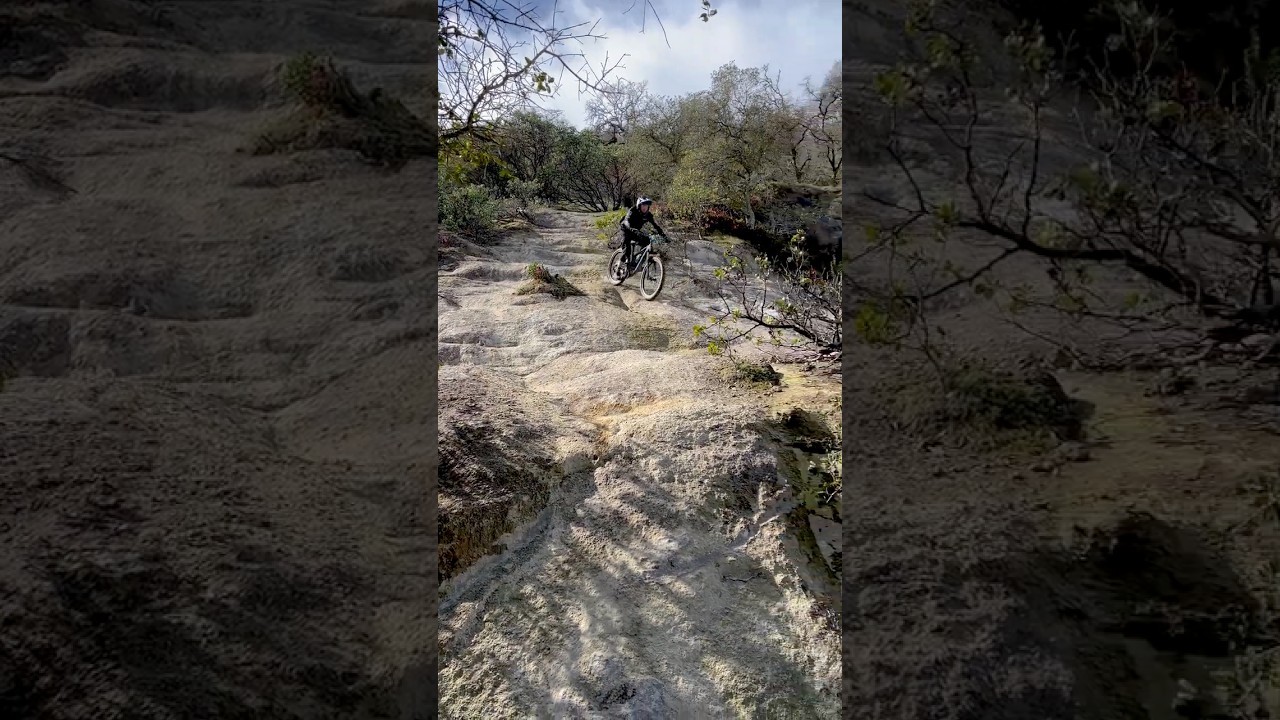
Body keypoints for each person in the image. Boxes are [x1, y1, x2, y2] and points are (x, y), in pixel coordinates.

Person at [618, 197, 667, 272]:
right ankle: (619, 266)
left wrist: (663, 235)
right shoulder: (632, 210)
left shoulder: (648, 215)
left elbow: (655, 226)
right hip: (626, 229)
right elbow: (626, 221)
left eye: (646, 206)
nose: (645, 207)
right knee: (627, 251)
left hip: (636, 231)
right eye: (643, 205)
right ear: (639, 205)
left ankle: (636, 263)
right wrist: (630, 228)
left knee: (646, 241)